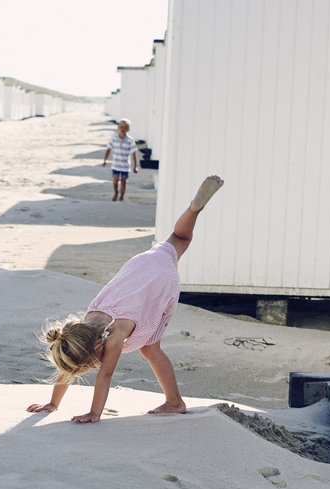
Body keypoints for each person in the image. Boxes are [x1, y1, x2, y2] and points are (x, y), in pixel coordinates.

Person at [27, 175, 224, 424]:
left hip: (161, 283)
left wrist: (94, 413)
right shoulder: (81, 328)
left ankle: (175, 402)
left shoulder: (113, 337)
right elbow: (70, 359)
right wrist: (53, 403)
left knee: (150, 348)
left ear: (95, 350)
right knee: (178, 238)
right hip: (142, 266)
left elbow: (106, 375)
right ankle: (194, 209)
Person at [102, 119, 139, 201]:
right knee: (115, 181)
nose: (123, 128)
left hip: (125, 165)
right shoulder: (114, 139)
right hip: (115, 164)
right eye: (121, 126)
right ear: (118, 127)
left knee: (123, 181)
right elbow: (108, 149)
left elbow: (134, 153)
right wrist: (105, 160)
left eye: (125, 127)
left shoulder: (130, 140)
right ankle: (116, 192)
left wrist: (135, 166)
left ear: (128, 129)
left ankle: (121, 196)